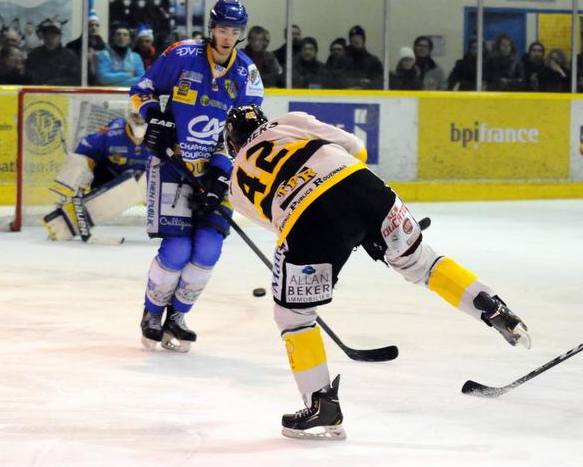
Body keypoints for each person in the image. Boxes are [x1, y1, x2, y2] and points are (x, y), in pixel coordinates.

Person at [223, 105, 532, 440]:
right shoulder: (290, 121)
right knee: (422, 263)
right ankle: (494, 308)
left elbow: (277, 221)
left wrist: (341, 232)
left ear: (232, 144)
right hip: (364, 189)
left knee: (294, 315)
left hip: (308, 218)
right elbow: (357, 149)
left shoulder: (236, 188)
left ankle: (322, 405)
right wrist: (359, 219)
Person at [130, 0, 264, 353]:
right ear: (212, 28)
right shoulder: (182, 55)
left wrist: (220, 174)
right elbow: (141, 90)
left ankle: (178, 316)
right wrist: (155, 118)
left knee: (207, 248)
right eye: (222, 29)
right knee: (176, 249)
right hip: (172, 165)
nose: (227, 37)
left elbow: (243, 137)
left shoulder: (247, 74)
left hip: (215, 171)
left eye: (234, 31)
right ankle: (152, 314)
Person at [42, 105, 149, 241]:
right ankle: (63, 212)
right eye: (136, 115)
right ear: (128, 115)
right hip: (111, 179)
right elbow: (84, 150)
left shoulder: (165, 134)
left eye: (144, 115)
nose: (140, 120)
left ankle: (175, 226)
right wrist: (82, 173)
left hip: (151, 184)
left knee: (151, 179)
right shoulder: (112, 133)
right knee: (77, 161)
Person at [24, 20, 80, 85]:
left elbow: (76, 79)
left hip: (61, 91)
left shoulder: (70, 56)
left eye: (53, 37)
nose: (50, 40)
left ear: (60, 37)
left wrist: (54, 84)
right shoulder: (34, 55)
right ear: (43, 38)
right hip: (37, 90)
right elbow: (27, 77)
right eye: (47, 37)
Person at [339, 25, 383, 89]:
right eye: (353, 37)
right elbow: (338, 79)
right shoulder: (342, 60)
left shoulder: (373, 61)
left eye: (359, 37)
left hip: (367, 94)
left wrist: (365, 86)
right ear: (350, 40)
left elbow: (379, 81)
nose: (356, 40)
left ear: (363, 40)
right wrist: (360, 82)